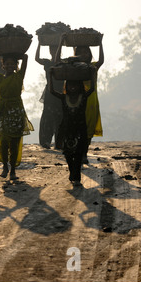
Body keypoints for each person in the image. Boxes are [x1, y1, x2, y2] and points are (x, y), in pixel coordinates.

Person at [0, 44, 34, 180]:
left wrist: (17, 51)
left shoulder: (19, 76)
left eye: (13, 63)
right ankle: (5, 166)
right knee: (3, 141)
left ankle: (12, 170)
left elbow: (26, 57)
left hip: (16, 113)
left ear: (16, 66)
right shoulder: (0, 78)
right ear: (3, 66)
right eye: (7, 63)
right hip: (3, 112)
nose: (10, 66)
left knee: (14, 143)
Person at [55, 33, 104, 164]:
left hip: (90, 100)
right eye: (80, 52)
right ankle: (75, 150)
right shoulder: (70, 66)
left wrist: (100, 43)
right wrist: (61, 42)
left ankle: (84, 153)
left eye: (86, 52)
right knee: (75, 127)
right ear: (75, 53)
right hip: (74, 100)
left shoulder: (92, 66)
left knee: (88, 128)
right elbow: (57, 61)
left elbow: (101, 61)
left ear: (90, 54)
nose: (83, 54)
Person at [49, 66, 96, 186]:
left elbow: (92, 89)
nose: (73, 88)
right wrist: (50, 76)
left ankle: (77, 176)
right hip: (66, 129)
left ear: (80, 87)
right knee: (68, 153)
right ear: (66, 86)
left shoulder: (83, 97)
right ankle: (72, 172)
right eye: (70, 85)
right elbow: (52, 91)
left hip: (80, 129)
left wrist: (93, 74)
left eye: (76, 85)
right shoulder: (64, 98)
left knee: (79, 153)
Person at [35, 42, 64, 149]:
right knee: (48, 116)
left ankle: (59, 142)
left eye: (57, 49)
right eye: (52, 49)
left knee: (60, 116)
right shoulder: (47, 63)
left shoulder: (64, 62)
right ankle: (46, 141)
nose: (54, 51)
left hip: (62, 92)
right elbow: (37, 58)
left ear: (60, 50)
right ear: (49, 51)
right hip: (50, 92)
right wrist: (39, 43)